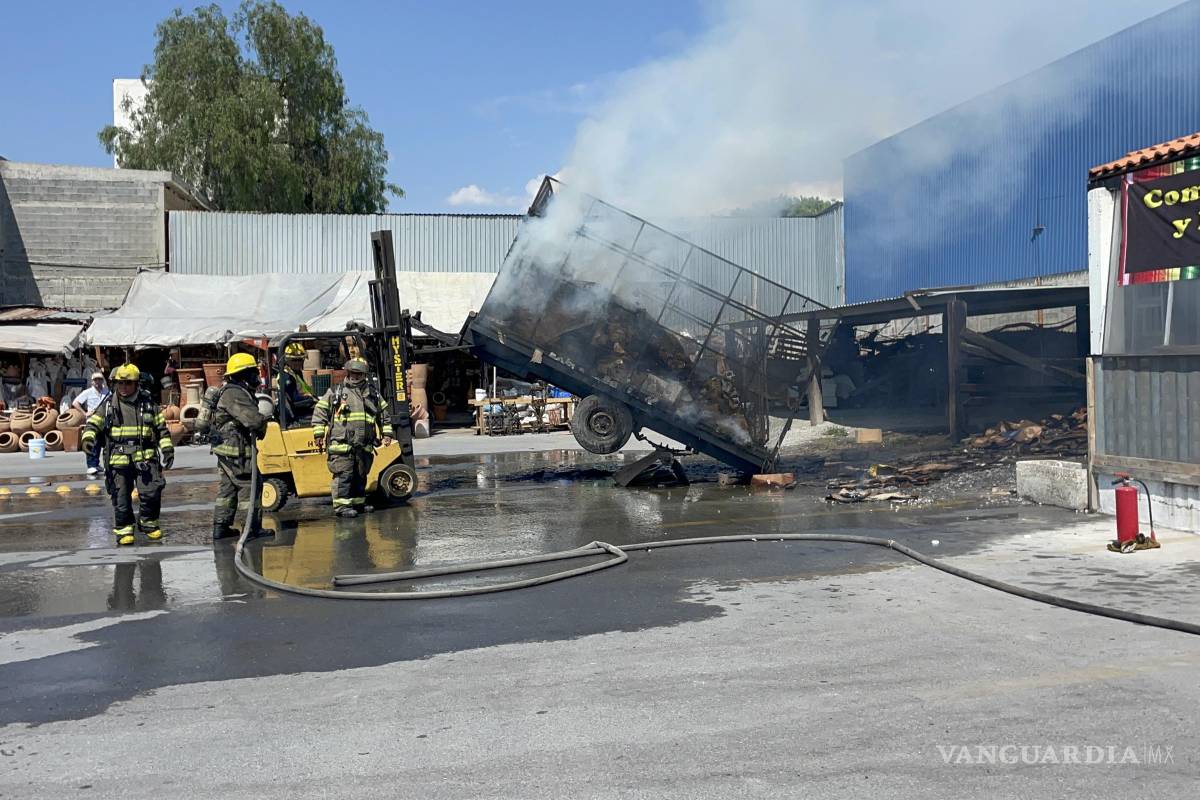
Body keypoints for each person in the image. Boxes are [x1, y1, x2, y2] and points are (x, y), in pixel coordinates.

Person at [81, 364, 173, 546]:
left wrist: (168, 450)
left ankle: (148, 523)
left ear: (137, 384)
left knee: (151, 493)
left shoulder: (148, 404)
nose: (123, 387)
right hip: (118, 460)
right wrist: (88, 439)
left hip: (145, 459)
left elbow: (162, 430)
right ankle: (124, 529)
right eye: (120, 383)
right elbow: (93, 425)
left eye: (128, 383)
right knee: (120, 498)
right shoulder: (108, 405)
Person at [311, 358, 393, 518]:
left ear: (364, 374)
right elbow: (320, 412)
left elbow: (384, 415)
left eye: (359, 373)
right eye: (353, 373)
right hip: (342, 444)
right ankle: (342, 506)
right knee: (344, 475)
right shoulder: (336, 392)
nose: (356, 376)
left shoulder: (372, 393)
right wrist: (319, 433)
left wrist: (387, 434)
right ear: (348, 372)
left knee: (360, 475)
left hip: (364, 445)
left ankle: (357, 502)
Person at [210, 353, 271, 541]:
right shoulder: (234, 393)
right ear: (243, 374)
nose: (256, 377)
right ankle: (251, 529)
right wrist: (264, 422)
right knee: (250, 487)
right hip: (238, 452)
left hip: (227, 451)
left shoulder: (232, 391)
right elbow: (253, 420)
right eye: (253, 372)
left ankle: (221, 528)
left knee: (227, 491)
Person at [72, 371, 111, 475]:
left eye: (100, 379)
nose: (98, 381)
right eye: (95, 380)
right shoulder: (88, 392)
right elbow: (75, 403)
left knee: (105, 444)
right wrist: (85, 413)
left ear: (103, 380)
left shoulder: (107, 392)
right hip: (93, 421)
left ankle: (98, 464)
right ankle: (91, 465)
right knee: (93, 443)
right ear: (92, 382)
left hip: (105, 421)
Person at [278, 342, 316, 427]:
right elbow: (295, 399)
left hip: (302, 407)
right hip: (298, 412)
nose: (297, 363)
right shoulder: (287, 377)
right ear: (287, 360)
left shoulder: (296, 373)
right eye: (294, 360)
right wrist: (310, 399)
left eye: (300, 360)